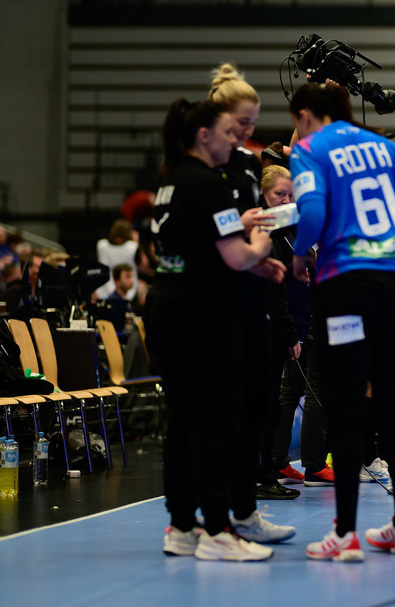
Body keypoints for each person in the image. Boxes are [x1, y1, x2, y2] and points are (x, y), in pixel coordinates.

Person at [289, 83, 395, 561]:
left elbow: (313, 213)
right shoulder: (384, 147)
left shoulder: (308, 149)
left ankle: (345, 535)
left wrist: (299, 254)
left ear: (305, 115)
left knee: (346, 405)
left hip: (346, 289)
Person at [147, 98, 287, 561]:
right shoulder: (209, 184)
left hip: (167, 307)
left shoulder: (169, 182)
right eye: (229, 132)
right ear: (203, 136)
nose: (236, 140)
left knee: (185, 420)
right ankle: (217, 531)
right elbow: (236, 256)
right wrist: (262, 241)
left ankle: (182, 526)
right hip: (203, 315)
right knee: (216, 421)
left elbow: (194, 243)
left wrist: (245, 235)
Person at [208, 63, 299, 504]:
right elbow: (216, 235)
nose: (247, 132)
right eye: (241, 124)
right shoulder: (202, 173)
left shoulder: (246, 166)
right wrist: (247, 242)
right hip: (212, 305)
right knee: (223, 409)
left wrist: (260, 259)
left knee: (260, 403)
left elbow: (241, 231)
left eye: (252, 124)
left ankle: (245, 500)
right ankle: (199, 513)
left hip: (250, 305)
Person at [259, 165, 332, 489]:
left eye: (292, 195)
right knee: (290, 396)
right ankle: (307, 465)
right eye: (279, 195)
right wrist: (290, 333)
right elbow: (274, 288)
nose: (287, 201)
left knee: (281, 399)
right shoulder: (264, 233)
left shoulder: (290, 228)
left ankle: (276, 463)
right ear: (262, 195)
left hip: (297, 323)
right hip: (278, 327)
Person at [94, 219, 139, 300]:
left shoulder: (101, 246)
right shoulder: (132, 246)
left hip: (123, 290)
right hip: (107, 291)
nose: (118, 239)